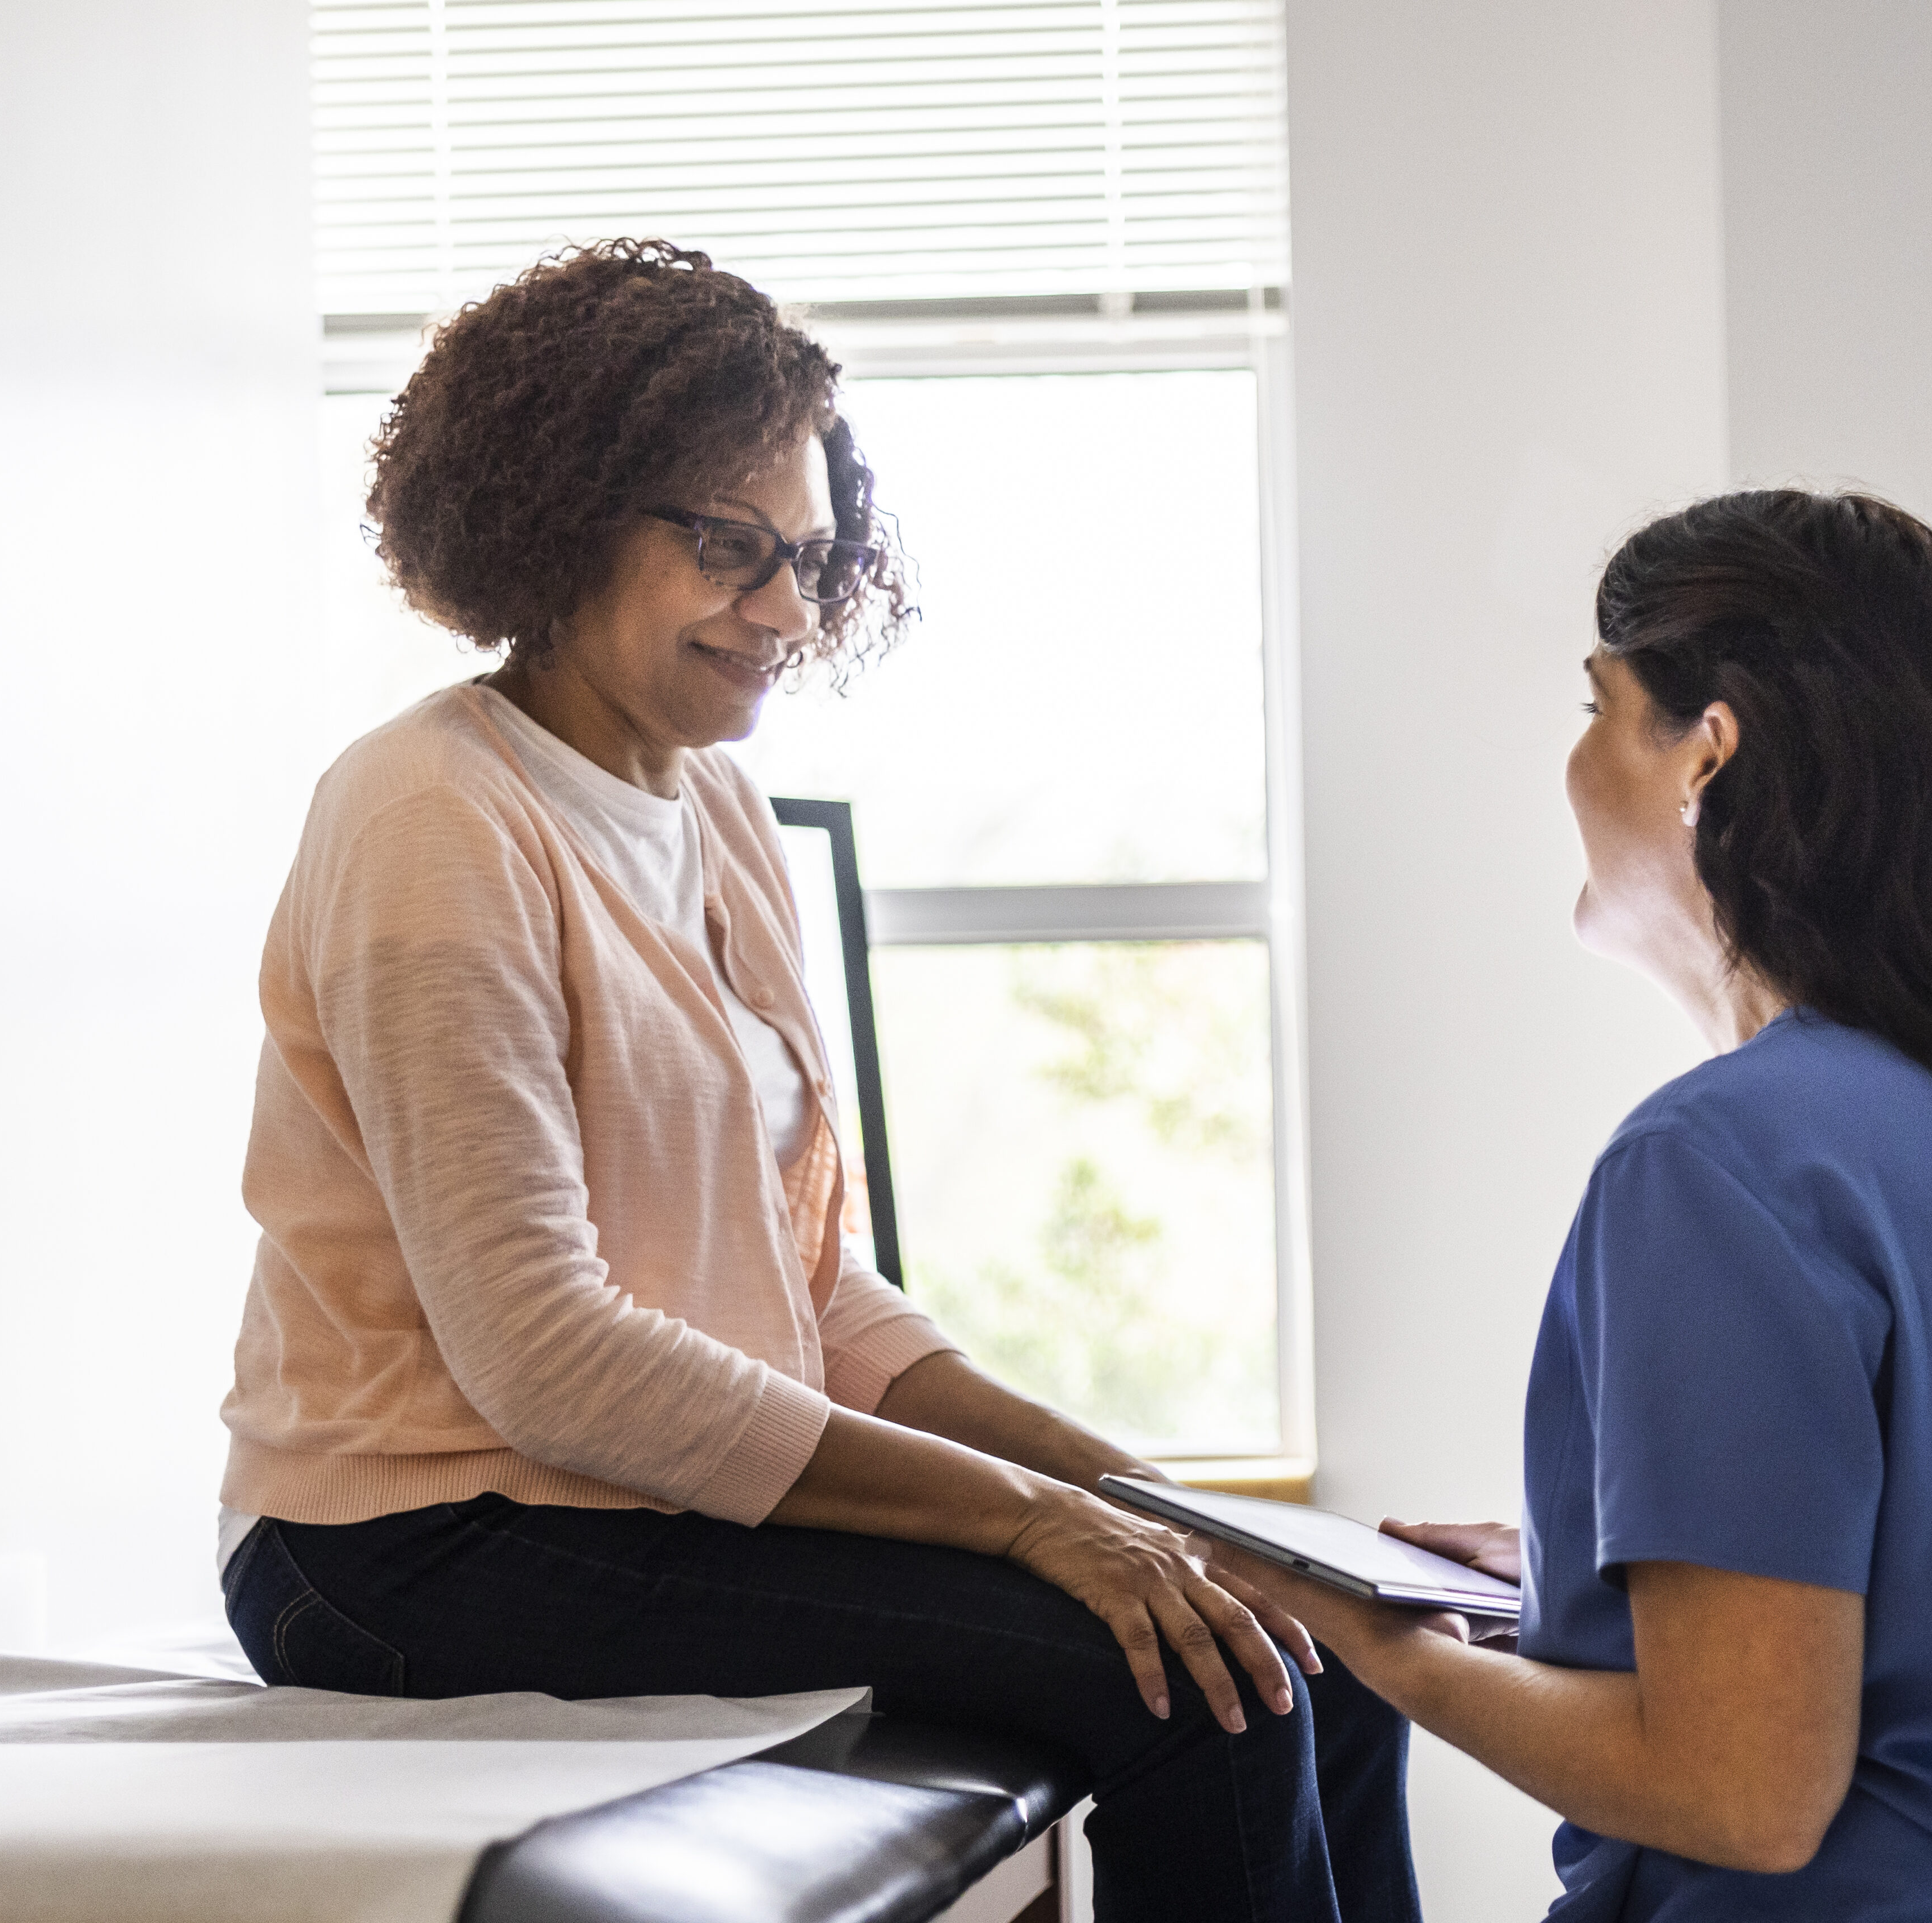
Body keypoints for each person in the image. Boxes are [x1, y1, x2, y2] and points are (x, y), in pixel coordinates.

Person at [213, 238, 1414, 1923]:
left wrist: (1134, 1489)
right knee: (1203, 1688)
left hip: (635, 1501)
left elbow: (809, 1283)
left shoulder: (716, 814)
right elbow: (542, 1352)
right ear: (557, 511)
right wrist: (1029, 1521)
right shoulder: (432, 818)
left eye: (809, 561)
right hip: (410, 1540)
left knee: (1307, 1646)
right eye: (729, 549)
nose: (784, 611)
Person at [1221, 491, 1932, 1919]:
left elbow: (1738, 1798)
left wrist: (1388, 1651)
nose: (1569, 761)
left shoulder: (1718, 1160)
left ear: (1708, 751)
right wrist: (1591, 1583)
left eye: (1599, 704)